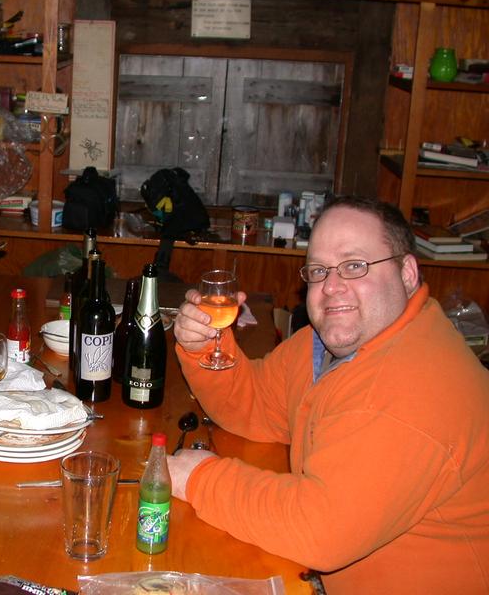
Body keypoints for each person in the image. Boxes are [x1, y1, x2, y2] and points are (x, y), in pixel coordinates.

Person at [170, 196, 489, 595]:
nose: (331, 286)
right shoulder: (321, 346)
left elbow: (322, 532)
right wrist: (204, 347)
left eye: (354, 266)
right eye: (319, 271)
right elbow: (253, 405)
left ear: (407, 273)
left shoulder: (415, 383)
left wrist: (199, 478)